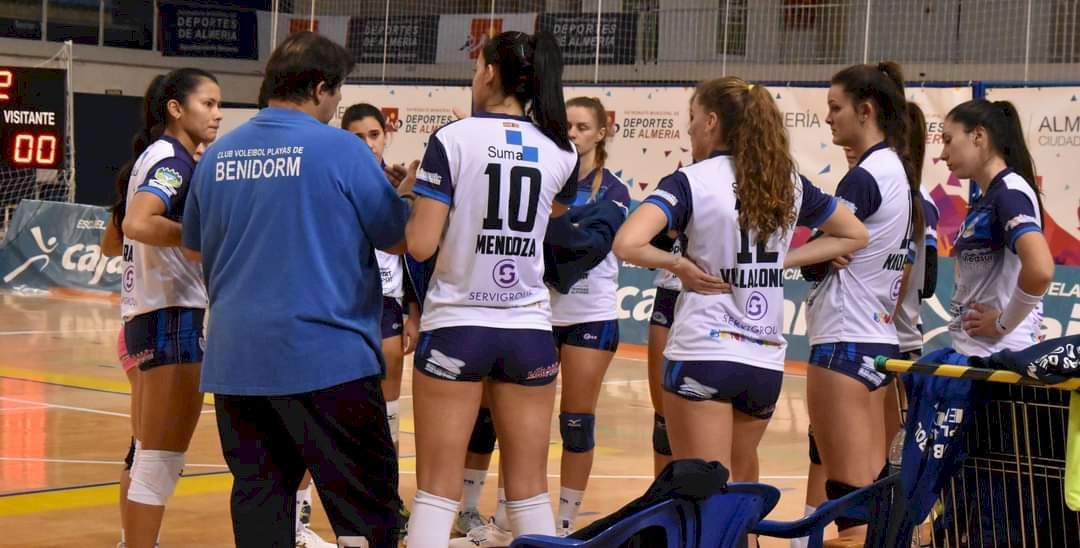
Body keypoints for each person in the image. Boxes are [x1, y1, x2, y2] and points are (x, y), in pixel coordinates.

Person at [181, 32, 410, 548]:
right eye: (337, 93)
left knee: (261, 504)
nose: (336, 104)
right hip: (327, 358)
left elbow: (193, 249)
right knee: (366, 513)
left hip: (237, 362)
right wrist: (411, 196)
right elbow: (397, 239)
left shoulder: (219, 155)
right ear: (321, 89)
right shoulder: (343, 150)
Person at [613, 77, 867, 507]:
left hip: (705, 350)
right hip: (763, 361)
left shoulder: (690, 181)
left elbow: (626, 243)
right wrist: (781, 260)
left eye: (693, 118)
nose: (690, 128)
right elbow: (855, 234)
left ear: (712, 122)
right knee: (741, 493)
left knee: (703, 501)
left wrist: (680, 266)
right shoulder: (786, 182)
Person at [403, 30, 579, 548]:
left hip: (458, 325)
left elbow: (419, 245)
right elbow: (556, 210)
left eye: (477, 66)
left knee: (437, 489)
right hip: (528, 330)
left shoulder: (453, 139)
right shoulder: (561, 149)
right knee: (529, 491)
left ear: (490, 73)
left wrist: (409, 199)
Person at [451, 96, 631, 546]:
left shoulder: (613, 190)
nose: (573, 134)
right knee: (505, 420)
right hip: (534, 313)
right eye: (567, 125)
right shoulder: (544, 172)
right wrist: (563, 226)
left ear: (601, 133)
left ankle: (566, 524)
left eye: (583, 127)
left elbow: (585, 251)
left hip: (589, 314)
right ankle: (493, 517)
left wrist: (551, 226)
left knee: (576, 422)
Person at [804, 61, 923, 538]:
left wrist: (781, 260)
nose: (828, 118)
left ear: (866, 110)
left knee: (851, 511)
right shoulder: (899, 172)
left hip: (843, 342)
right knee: (873, 501)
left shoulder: (865, 177)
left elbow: (819, 257)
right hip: (877, 342)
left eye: (836, 107)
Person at [109, 68, 220, 548]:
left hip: (147, 319)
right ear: (176, 109)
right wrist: (204, 237)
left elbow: (115, 237)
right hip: (171, 319)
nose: (218, 114)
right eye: (208, 103)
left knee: (145, 453)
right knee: (159, 460)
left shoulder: (151, 156)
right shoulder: (173, 160)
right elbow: (137, 223)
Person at [940, 99, 1054, 356]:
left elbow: (1040, 270)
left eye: (948, 140)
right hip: (974, 352)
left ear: (978, 136)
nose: (943, 154)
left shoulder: (1009, 193)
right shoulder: (989, 196)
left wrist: (1002, 324)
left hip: (996, 358)